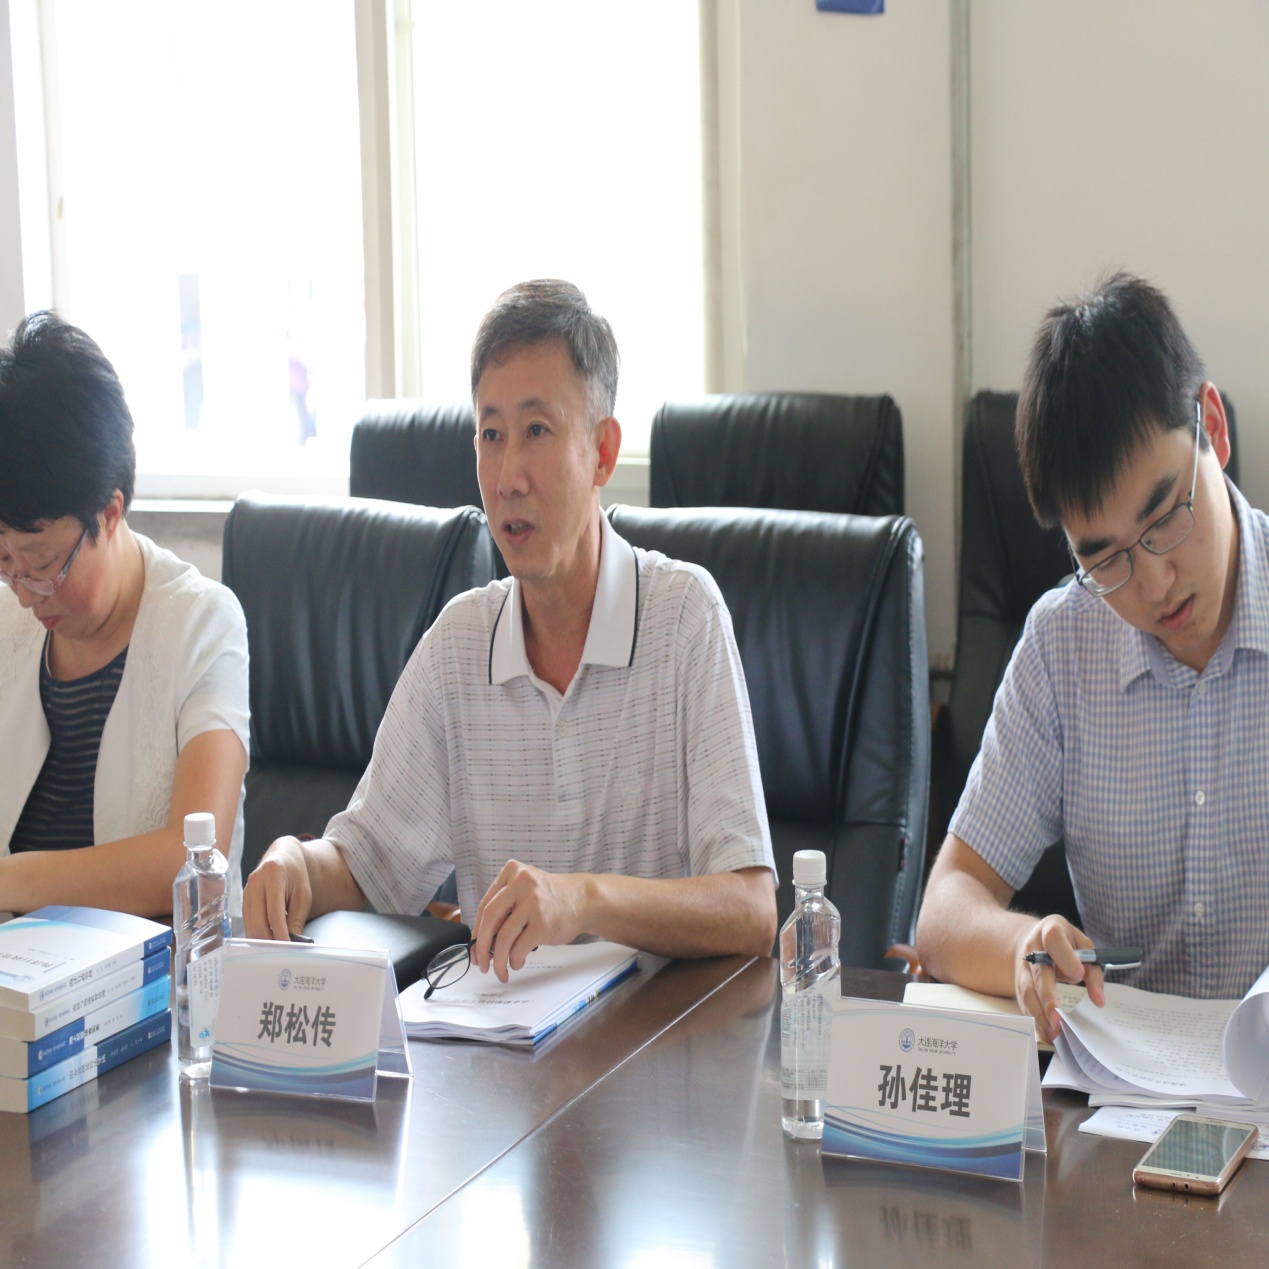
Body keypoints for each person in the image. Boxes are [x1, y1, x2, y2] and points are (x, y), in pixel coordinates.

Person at [244, 279, 777, 975]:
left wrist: (581, 900)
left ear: (603, 451)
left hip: (660, 1031)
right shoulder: (459, 645)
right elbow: (366, 864)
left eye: (536, 432)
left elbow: (751, 909)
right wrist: (295, 861)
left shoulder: (683, 617)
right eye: (491, 436)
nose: (507, 478)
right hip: (497, 1034)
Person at [916, 272, 1269, 1043]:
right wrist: (1022, 944)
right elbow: (944, 908)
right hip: (1121, 1093)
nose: (1154, 581)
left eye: (1165, 516)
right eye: (1104, 558)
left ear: (1211, 426)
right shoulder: (1061, 646)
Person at [0, 312, 250, 915]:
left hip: (164, 968)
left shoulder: (202, 625)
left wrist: (11, 881)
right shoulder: (8, 625)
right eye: (4, 562)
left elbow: (194, 858)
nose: (25, 594)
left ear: (109, 514)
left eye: (42, 564)